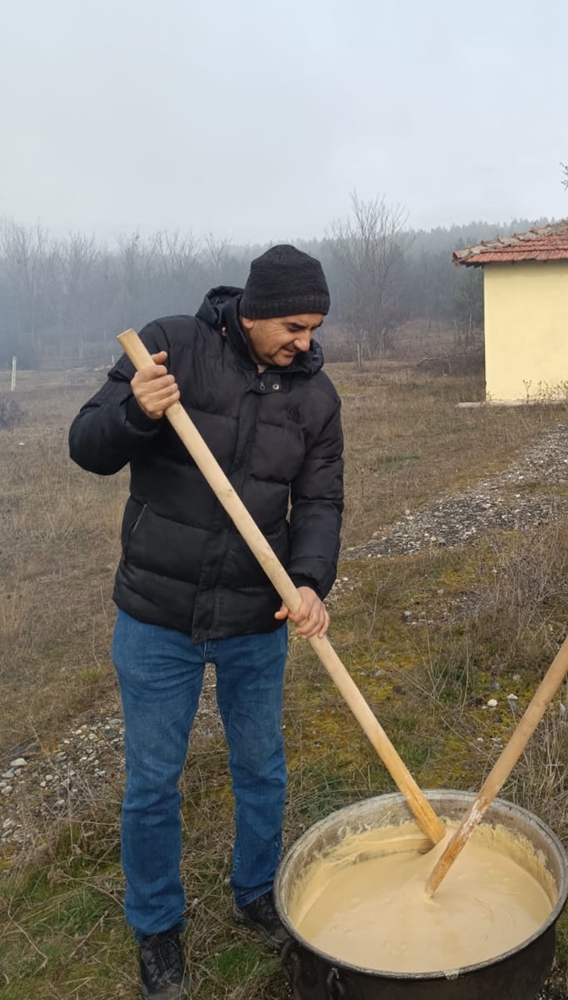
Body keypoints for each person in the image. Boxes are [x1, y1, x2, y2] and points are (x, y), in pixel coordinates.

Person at [69, 245, 344, 1000]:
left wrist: (312, 580)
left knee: (262, 766)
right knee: (153, 783)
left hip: (256, 616)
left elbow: (320, 503)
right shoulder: (170, 347)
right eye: (293, 325)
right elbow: (86, 446)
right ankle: (157, 929)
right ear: (253, 311)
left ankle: (258, 893)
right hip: (158, 615)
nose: (305, 341)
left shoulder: (315, 396)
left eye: (314, 327)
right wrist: (136, 412)